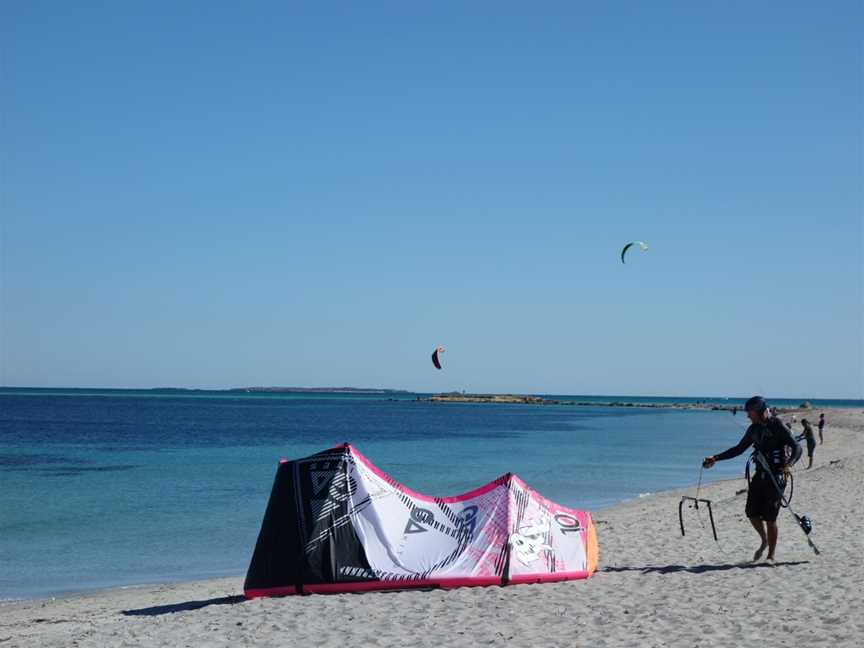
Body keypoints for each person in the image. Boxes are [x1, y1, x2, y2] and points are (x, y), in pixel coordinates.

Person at [703, 396, 801, 563]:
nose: (748, 416)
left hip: (776, 476)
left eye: (750, 412)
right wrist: (716, 458)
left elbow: (797, 447)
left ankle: (771, 556)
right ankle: (764, 540)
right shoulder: (753, 429)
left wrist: (789, 464)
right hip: (760, 475)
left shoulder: (777, 425)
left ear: (761, 411)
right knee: (751, 513)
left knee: (770, 518)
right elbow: (738, 449)